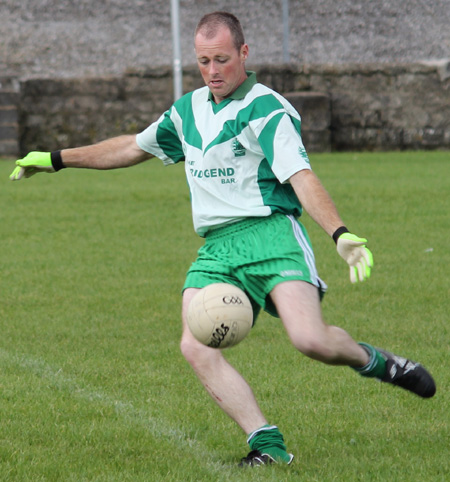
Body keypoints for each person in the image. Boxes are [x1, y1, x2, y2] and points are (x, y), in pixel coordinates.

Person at [10, 11, 436, 467]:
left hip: (271, 235)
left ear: (244, 54)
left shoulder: (266, 109)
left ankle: (378, 362)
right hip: (217, 247)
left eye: (221, 59)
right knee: (194, 345)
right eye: (203, 61)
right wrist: (56, 158)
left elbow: (301, 176)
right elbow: (132, 146)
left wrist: (340, 232)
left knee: (310, 340)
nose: (212, 71)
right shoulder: (187, 111)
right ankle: (266, 443)